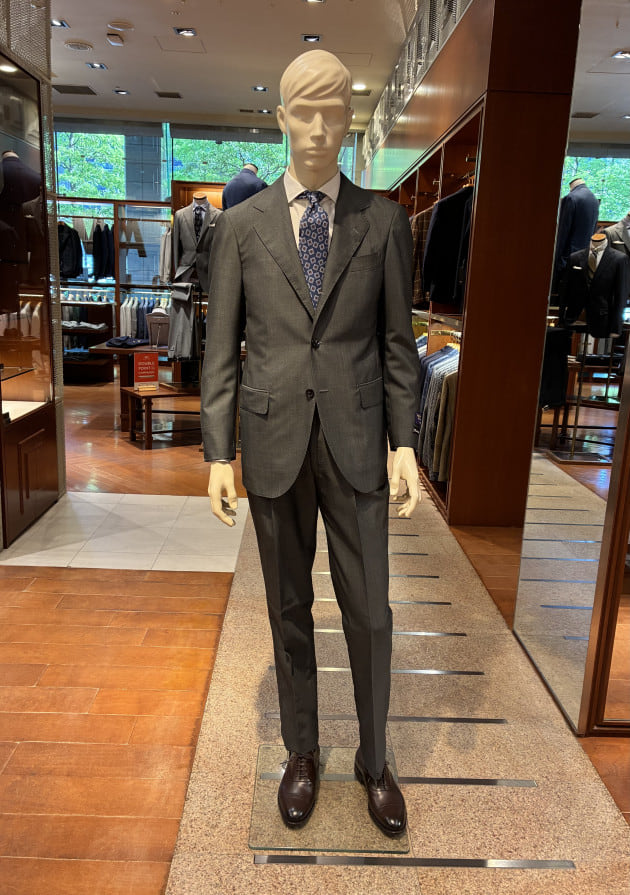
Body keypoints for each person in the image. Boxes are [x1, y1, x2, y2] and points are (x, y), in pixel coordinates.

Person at [201, 49, 421, 835]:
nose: (320, 129)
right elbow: (222, 348)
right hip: (272, 441)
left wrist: (404, 442)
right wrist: (217, 452)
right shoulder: (240, 227)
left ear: (350, 120)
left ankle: (374, 758)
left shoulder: (383, 222)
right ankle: (303, 751)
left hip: (358, 441)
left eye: (334, 113)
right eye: (305, 112)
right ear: (281, 118)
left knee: (371, 611)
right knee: (288, 604)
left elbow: (398, 346)